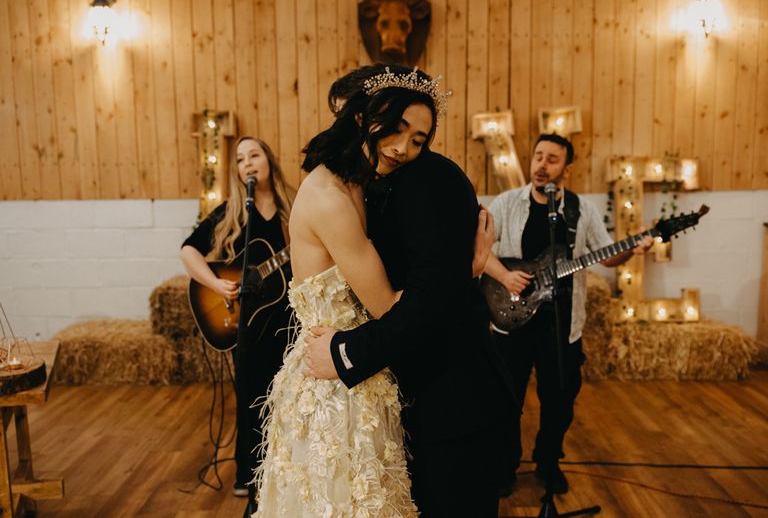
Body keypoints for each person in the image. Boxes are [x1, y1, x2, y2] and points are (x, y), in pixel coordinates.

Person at [304, 69, 515, 517]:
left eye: (418, 138)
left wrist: (345, 352)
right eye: (397, 129)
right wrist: (465, 273)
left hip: (455, 405)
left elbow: (430, 302)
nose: (404, 147)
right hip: (410, 402)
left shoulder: (430, 182)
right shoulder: (366, 183)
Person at [483, 133, 653, 495]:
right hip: (510, 320)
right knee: (505, 400)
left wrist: (631, 249)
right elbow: (477, 249)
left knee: (559, 401)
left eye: (552, 159)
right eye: (538, 156)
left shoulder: (580, 210)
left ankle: (548, 462)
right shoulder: (506, 203)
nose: (542, 165)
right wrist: (504, 276)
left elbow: (605, 254)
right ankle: (502, 467)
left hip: (561, 326)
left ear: (567, 169)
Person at [180, 136, 294, 515]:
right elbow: (188, 250)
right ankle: (250, 475)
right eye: (241, 159)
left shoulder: (292, 208)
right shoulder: (233, 213)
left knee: (288, 403)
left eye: (255, 155)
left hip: (289, 322)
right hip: (248, 327)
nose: (248, 163)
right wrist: (215, 284)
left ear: (269, 160)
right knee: (250, 402)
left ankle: (288, 474)